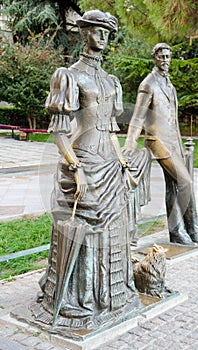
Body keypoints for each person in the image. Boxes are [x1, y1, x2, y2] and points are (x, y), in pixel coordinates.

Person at [30, 10, 150, 331]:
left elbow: (110, 129)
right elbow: (58, 131)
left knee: (115, 226)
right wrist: (75, 167)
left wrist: (122, 159)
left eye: (108, 32)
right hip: (82, 161)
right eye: (97, 31)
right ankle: (78, 301)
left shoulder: (111, 80)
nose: (104, 37)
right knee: (86, 226)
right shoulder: (69, 76)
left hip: (109, 166)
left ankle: (111, 296)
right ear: (84, 33)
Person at [124, 43, 198, 245]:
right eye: (161, 56)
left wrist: (178, 143)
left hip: (173, 141)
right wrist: (130, 142)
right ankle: (189, 229)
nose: (165, 60)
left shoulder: (169, 85)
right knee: (185, 181)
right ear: (154, 58)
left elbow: (173, 119)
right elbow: (137, 117)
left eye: (168, 56)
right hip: (157, 142)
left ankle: (181, 232)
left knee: (174, 186)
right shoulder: (148, 84)